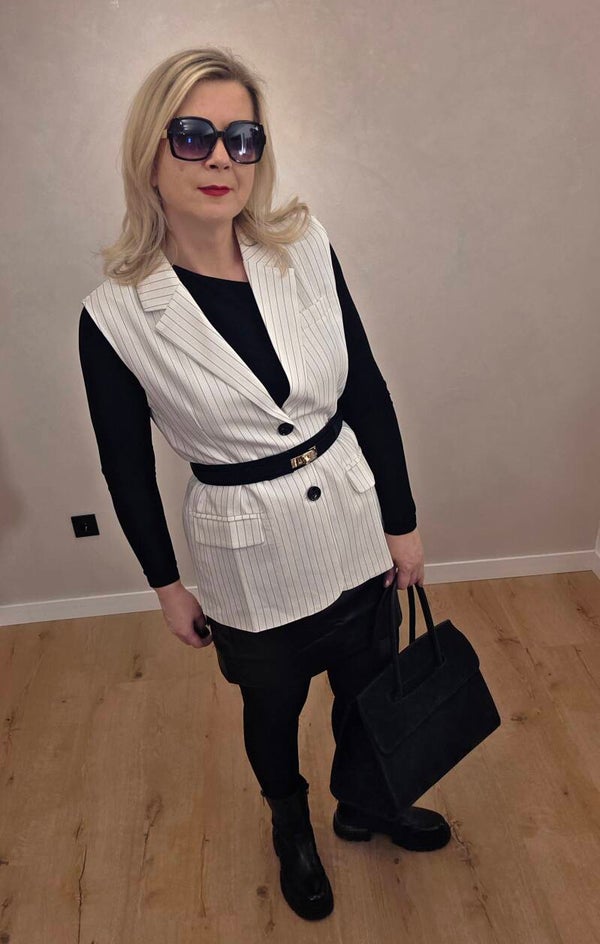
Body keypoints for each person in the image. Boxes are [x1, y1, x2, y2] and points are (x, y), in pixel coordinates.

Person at [78, 46, 451, 922]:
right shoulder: (116, 315)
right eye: (194, 135)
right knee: (273, 707)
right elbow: (126, 468)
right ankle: (291, 827)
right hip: (248, 556)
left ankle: (368, 801)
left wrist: (401, 520)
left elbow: (365, 388)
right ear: (151, 153)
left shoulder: (303, 247)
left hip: (352, 520)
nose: (221, 157)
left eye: (241, 138)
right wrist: (167, 587)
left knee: (370, 682)